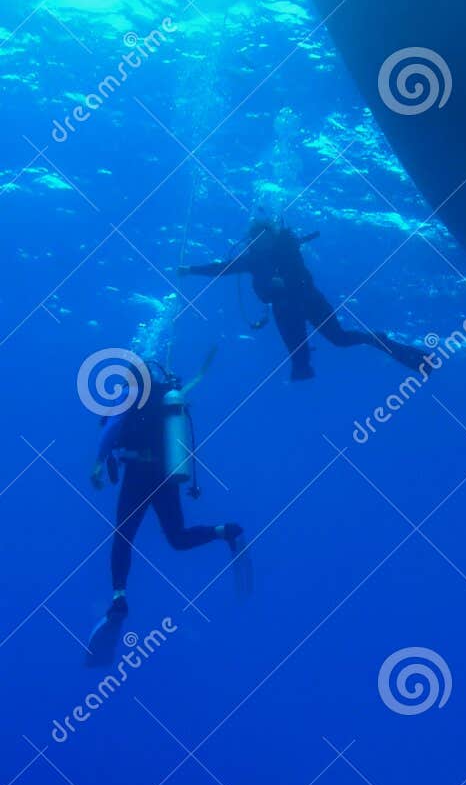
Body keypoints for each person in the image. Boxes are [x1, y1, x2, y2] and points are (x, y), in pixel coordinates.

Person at [86, 360, 247, 666]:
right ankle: (224, 530)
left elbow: (112, 428)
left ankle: (119, 597)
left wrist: (98, 462)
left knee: (123, 537)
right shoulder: (166, 396)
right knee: (177, 537)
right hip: (166, 474)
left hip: (137, 475)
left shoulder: (130, 397)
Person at [181, 218, 431, 383]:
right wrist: (192, 269)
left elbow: (302, 276)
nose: (262, 242)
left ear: (273, 235)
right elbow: (223, 268)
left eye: (266, 236)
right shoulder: (253, 260)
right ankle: (301, 376)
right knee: (300, 365)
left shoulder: (287, 249)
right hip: (284, 309)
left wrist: (286, 282)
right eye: (257, 238)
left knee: (341, 340)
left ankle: (390, 346)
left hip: (309, 301)